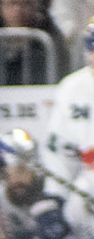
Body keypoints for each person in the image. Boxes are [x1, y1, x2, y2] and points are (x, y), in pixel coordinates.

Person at [0, 128, 71, 237]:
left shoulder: (53, 192)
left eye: (21, 171)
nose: (16, 180)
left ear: (35, 171)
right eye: (9, 174)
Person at [41, 19, 94, 197]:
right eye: (91, 49)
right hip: (86, 180)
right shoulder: (72, 87)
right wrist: (55, 196)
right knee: (73, 209)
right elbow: (59, 149)